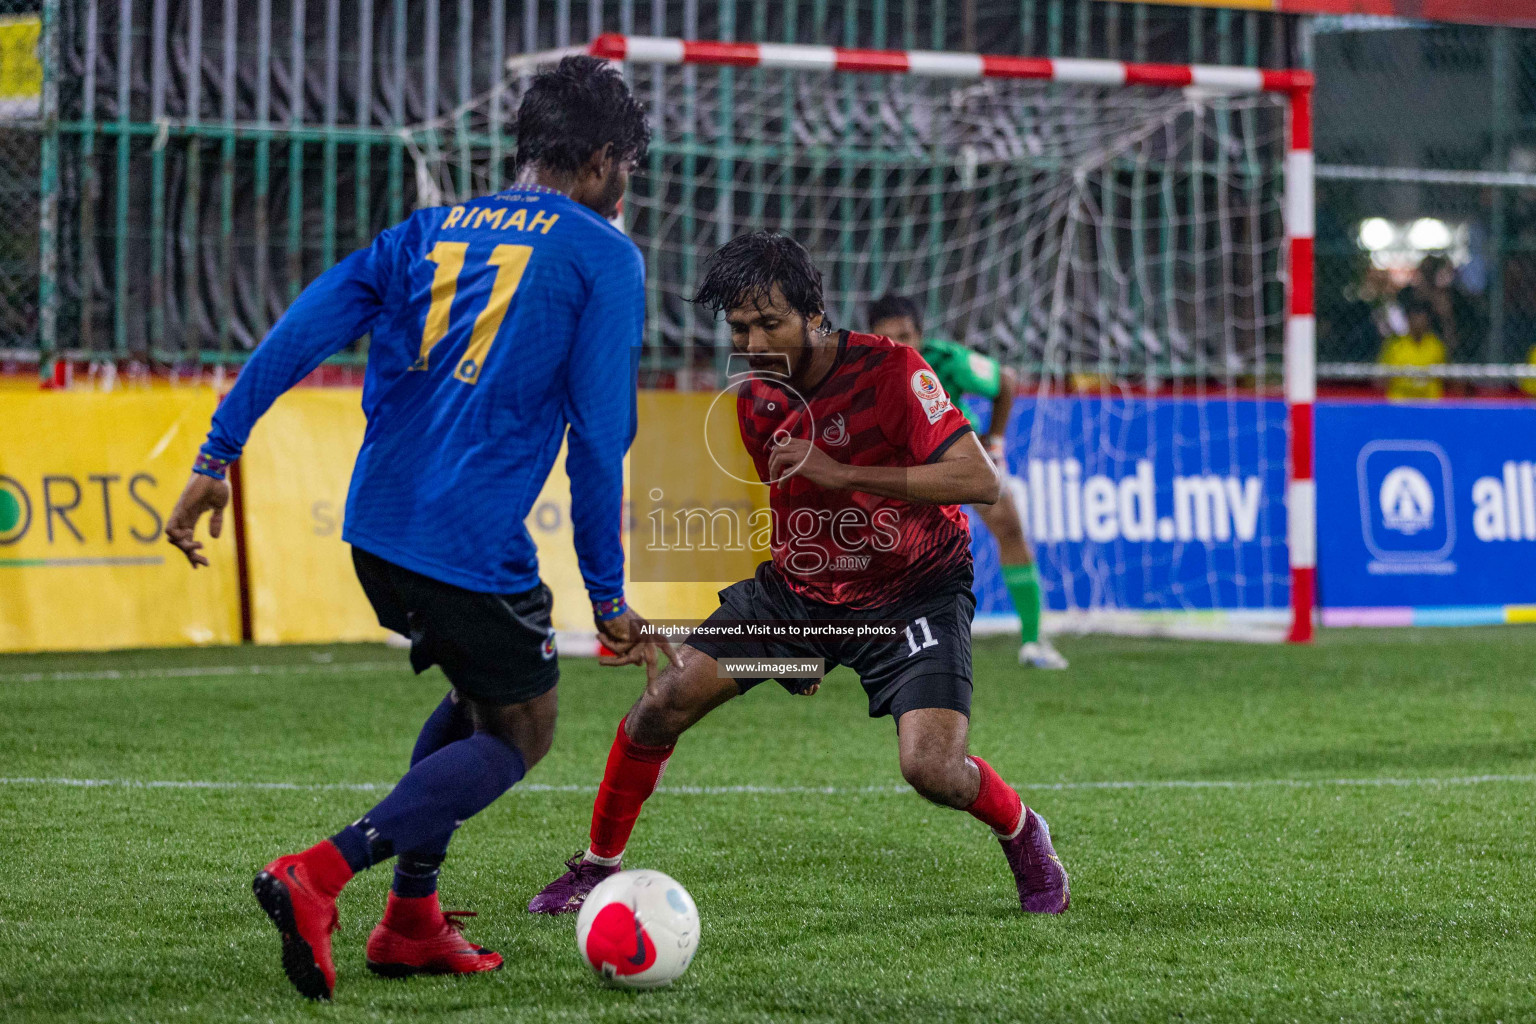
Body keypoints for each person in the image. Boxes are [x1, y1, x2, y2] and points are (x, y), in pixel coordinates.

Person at [162, 56, 668, 1000]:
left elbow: (301, 329)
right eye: (627, 170)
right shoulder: (605, 256)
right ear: (602, 160)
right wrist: (607, 595)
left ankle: (411, 922)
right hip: (465, 541)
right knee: (524, 730)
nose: (626, 188)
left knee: (486, 690)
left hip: (374, 531)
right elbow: (602, 441)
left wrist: (213, 457)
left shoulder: (426, 230)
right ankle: (321, 874)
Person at [526, 232, 1070, 918]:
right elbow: (795, 507)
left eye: (769, 323)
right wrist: (802, 638)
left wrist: (845, 472)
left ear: (815, 313)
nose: (753, 343)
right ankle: (595, 869)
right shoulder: (755, 400)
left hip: (915, 591)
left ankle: (1023, 831)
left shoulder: (893, 370)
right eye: (739, 327)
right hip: (805, 589)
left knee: (931, 770)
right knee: (661, 703)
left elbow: (979, 479)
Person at [868, 295, 1067, 670]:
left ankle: (1034, 641)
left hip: (959, 456)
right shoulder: (864, 369)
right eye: (889, 337)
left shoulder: (947, 359)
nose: (900, 345)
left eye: (906, 335)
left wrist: (994, 442)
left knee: (1009, 527)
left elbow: (1005, 381)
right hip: (902, 469)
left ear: (921, 335)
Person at [1378, 291, 1448, 401]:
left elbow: (1444, 378)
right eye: (1415, 316)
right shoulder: (1395, 345)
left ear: (1428, 320)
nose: (1419, 321)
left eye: (1422, 317)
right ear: (1408, 318)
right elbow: (1380, 380)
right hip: (1400, 402)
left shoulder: (1436, 345)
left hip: (1429, 402)